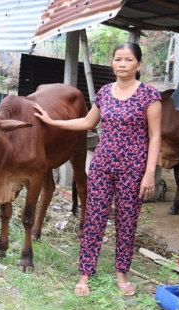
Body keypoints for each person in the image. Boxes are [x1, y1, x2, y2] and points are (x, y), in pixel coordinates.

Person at [33, 42, 162, 297]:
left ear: (138, 64)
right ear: (112, 63)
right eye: (117, 59)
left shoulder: (149, 95)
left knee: (127, 221)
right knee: (94, 218)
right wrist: (51, 121)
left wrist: (149, 173)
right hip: (102, 165)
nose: (122, 64)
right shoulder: (104, 93)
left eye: (128, 60)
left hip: (133, 168)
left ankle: (121, 274)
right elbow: (87, 122)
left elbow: (156, 137)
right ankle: (85, 274)